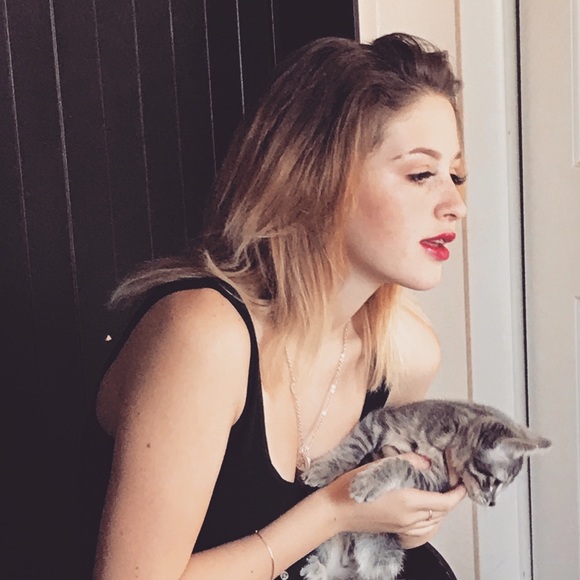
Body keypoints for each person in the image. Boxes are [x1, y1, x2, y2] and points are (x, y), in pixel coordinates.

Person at [92, 32, 468, 579]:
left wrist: (408, 518)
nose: (455, 204)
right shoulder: (204, 334)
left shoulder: (405, 355)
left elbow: (361, 541)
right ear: (319, 178)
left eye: (455, 175)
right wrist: (335, 510)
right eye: (420, 174)